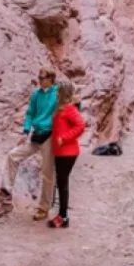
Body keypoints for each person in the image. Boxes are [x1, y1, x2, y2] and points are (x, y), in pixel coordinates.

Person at [0, 68, 58, 221]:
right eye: (38, 77)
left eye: (42, 77)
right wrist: (25, 131)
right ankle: (6, 191)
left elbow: (70, 107)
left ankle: (43, 208)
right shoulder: (36, 94)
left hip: (50, 136)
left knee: (47, 173)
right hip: (36, 134)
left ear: (51, 78)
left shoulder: (58, 93)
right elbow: (30, 113)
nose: (39, 80)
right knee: (13, 155)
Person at [48, 82, 86, 229]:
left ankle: (63, 218)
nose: (56, 94)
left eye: (58, 92)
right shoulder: (61, 107)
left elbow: (80, 126)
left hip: (67, 152)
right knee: (61, 182)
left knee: (62, 184)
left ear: (63, 93)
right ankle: (61, 215)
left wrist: (64, 138)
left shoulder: (70, 109)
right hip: (61, 151)